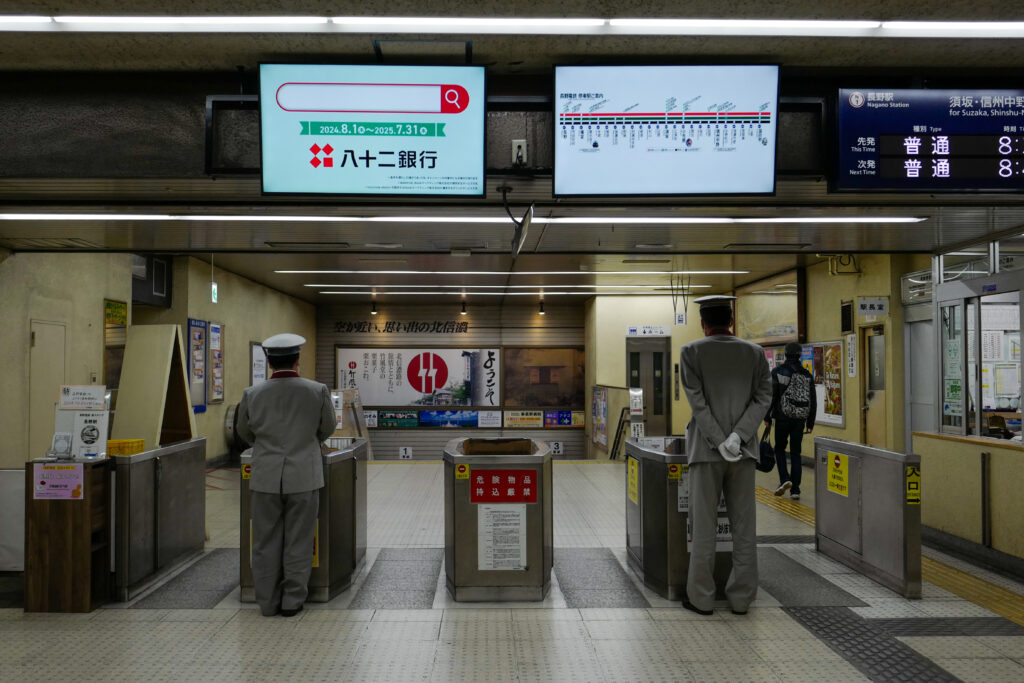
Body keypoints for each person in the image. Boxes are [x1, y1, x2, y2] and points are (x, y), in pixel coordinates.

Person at [679, 295, 772, 616]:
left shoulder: (691, 352)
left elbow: (697, 402)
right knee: (744, 527)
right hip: (744, 453)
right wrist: (737, 437)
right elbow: (763, 398)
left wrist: (719, 441)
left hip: (705, 454)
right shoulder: (755, 353)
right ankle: (741, 598)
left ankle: (702, 598)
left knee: (703, 527)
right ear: (731, 321)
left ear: (703, 323)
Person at [236, 333, 336, 617]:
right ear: (298, 359)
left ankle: (267, 602)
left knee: (264, 541)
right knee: (300, 539)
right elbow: (327, 427)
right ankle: (292, 601)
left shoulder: (251, 394)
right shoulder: (317, 391)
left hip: (265, 476)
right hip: (304, 475)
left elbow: (244, 432)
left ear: (268, 361)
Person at [764, 342, 816, 501]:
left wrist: (767, 417)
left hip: (782, 417)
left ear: (785, 354)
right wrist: (810, 422)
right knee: (796, 453)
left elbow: (771, 397)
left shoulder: (778, 372)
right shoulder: (807, 375)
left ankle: (784, 478)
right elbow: (812, 400)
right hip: (799, 419)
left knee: (779, 449)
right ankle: (795, 490)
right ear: (799, 355)